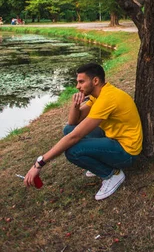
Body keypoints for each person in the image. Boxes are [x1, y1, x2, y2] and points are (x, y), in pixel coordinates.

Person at [24, 63, 143, 201]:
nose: (77, 86)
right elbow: (73, 123)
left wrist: (39, 163)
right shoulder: (98, 94)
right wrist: (75, 106)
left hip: (127, 152)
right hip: (113, 138)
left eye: (81, 82)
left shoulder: (107, 99)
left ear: (95, 81)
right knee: (68, 129)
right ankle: (99, 164)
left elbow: (75, 136)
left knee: (73, 151)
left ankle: (112, 175)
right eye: (77, 82)